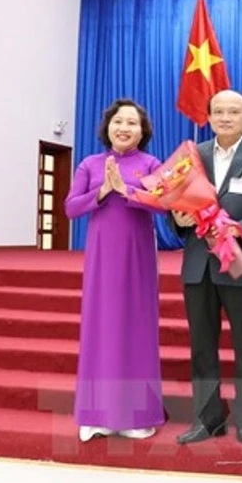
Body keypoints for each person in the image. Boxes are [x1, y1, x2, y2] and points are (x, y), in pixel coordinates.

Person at [171, 89, 242, 445]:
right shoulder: (193, 156)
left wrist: (238, 230)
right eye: (218, 112)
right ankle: (208, 420)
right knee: (202, 347)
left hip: (239, 265)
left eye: (234, 112)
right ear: (209, 117)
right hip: (199, 266)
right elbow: (178, 204)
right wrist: (178, 219)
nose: (226, 118)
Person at [65, 99, 164, 442]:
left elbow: (165, 204)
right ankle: (96, 416)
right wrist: (104, 190)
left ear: (142, 131)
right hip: (102, 257)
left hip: (138, 256)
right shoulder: (90, 164)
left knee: (137, 329)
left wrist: (129, 191)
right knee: (100, 329)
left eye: (132, 123)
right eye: (118, 121)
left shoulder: (151, 164)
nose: (124, 128)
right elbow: (71, 208)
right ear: (107, 126)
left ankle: (137, 416)